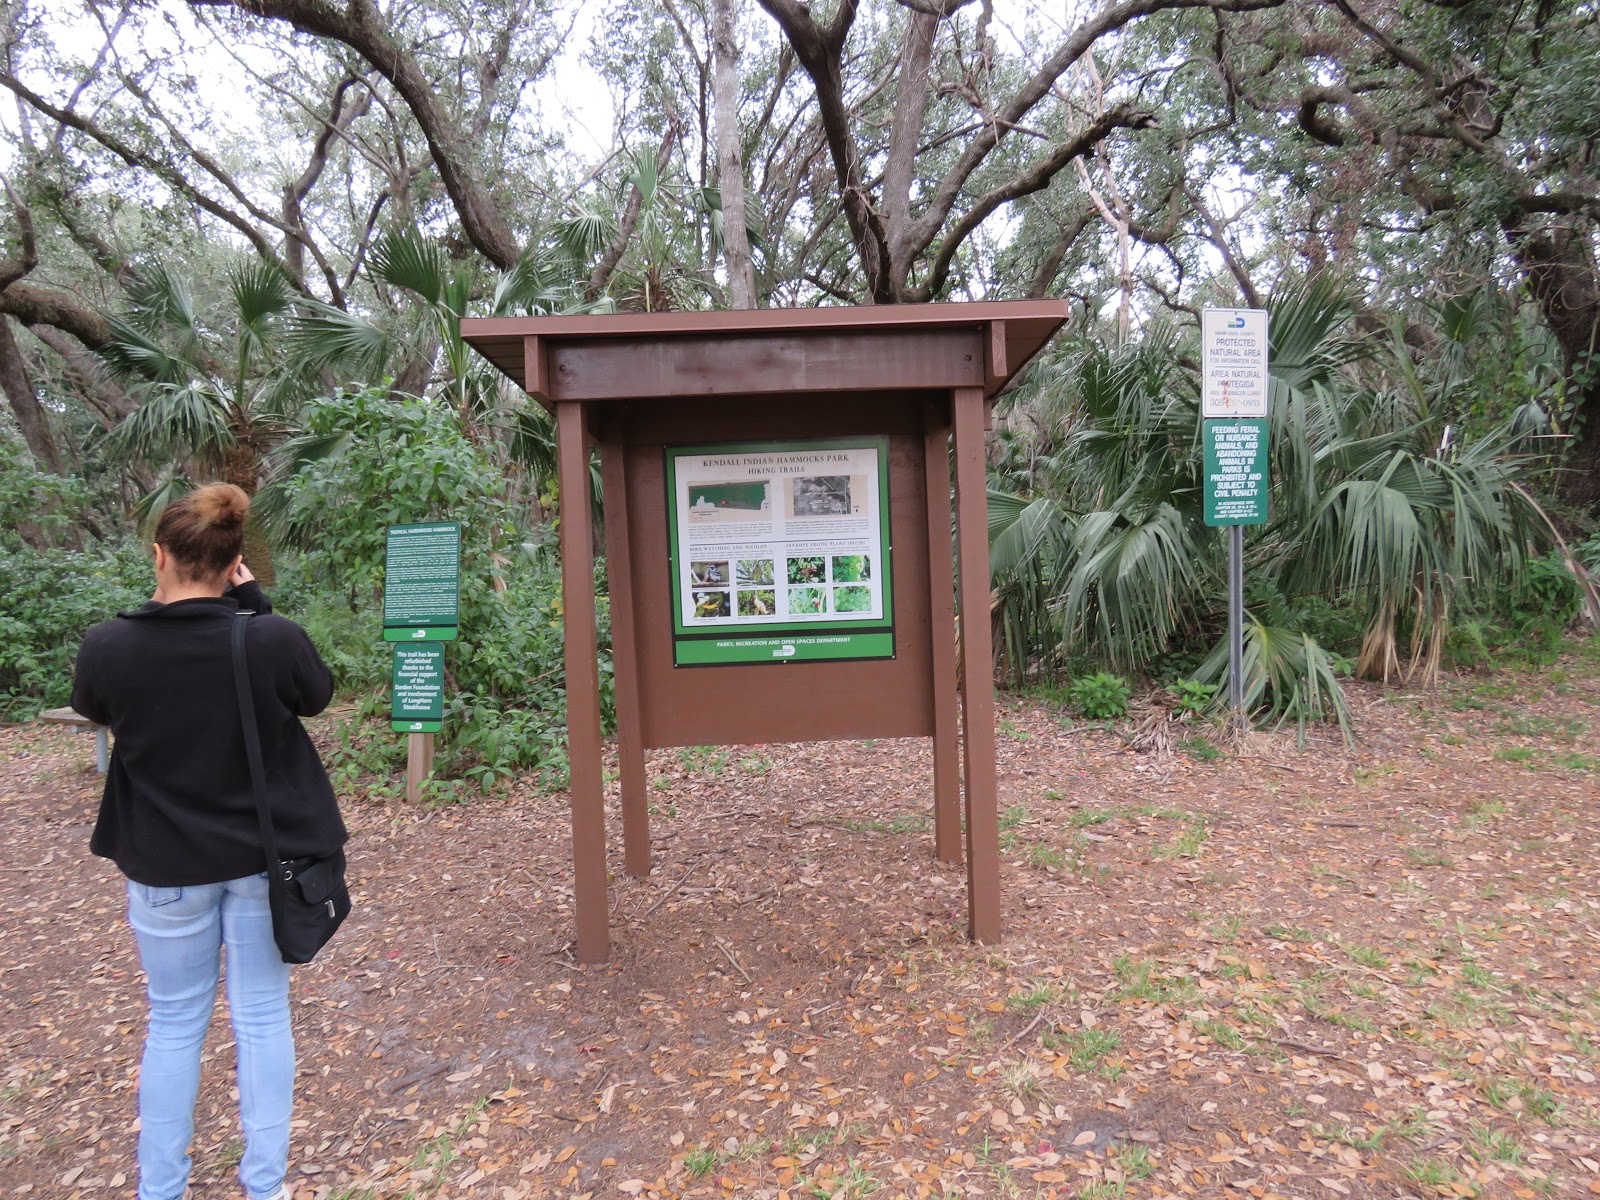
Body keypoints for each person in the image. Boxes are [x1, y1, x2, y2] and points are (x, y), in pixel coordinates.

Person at [71, 483, 346, 1200]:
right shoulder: (269, 637)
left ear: (158, 556)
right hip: (262, 861)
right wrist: (251, 606)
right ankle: (266, 1187)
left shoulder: (108, 646)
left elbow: (94, 710)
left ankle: (160, 1188)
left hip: (164, 866)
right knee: (260, 1019)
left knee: (173, 1024)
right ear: (235, 564)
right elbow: (314, 694)